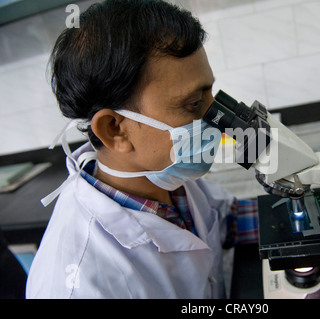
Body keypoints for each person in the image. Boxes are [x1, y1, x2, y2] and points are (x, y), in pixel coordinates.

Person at [26, 0, 258, 299]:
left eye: (209, 95)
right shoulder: (81, 285)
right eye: (193, 104)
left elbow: (225, 218)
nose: (216, 117)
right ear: (115, 129)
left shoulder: (163, 175)